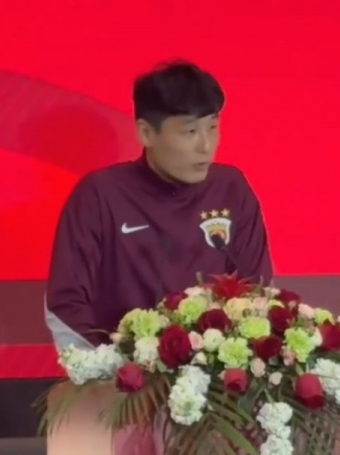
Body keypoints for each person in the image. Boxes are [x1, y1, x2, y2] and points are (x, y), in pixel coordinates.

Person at [45, 60, 273, 349]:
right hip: (122, 370)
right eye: (190, 132)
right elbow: (66, 302)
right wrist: (111, 365)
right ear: (146, 133)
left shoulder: (230, 188)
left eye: (213, 127)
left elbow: (256, 289)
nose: (206, 145)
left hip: (215, 370)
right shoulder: (100, 195)